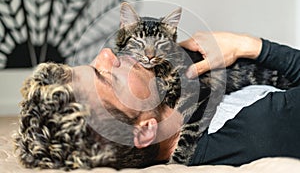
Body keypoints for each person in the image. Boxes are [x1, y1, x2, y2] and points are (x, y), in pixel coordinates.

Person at [14, 32, 300, 170]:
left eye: (90, 64)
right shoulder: (259, 125)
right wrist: (251, 46)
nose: (107, 55)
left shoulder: (196, 112)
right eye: (106, 76)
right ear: (145, 130)